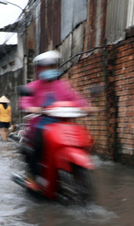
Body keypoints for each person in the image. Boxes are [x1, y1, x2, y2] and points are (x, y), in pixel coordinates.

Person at [19, 50, 89, 181]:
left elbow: (76, 99)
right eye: (46, 66)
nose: (49, 69)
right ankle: (33, 176)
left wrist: (86, 106)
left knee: (82, 138)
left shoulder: (63, 85)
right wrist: (32, 107)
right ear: (39, 69)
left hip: (63, 125)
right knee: (37, 145)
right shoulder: (33, 86)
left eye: (52, 66)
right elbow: (25, 101)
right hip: (41, 124)